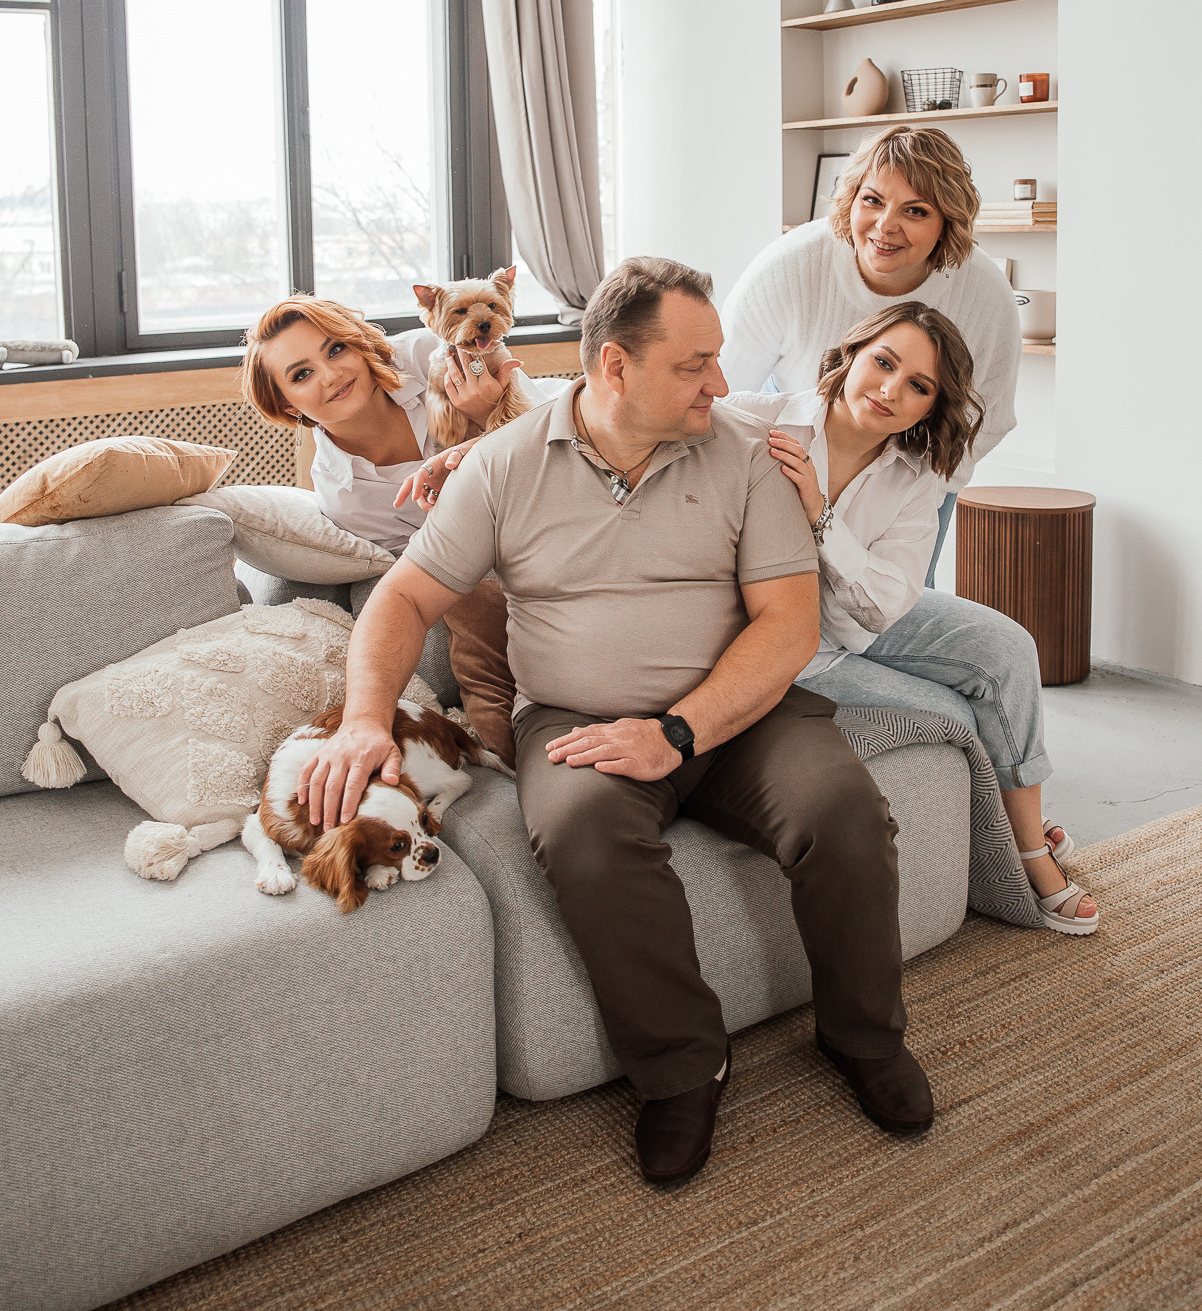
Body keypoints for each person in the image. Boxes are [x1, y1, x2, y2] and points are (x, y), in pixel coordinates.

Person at [299, 257, 936, 1187]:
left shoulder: (743, 456)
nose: (721, 385)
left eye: (718, 361)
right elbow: (402, 600)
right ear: (612, 367)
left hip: (741, 710)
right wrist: (364, 720)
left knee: (845, 813)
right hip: (575, 717)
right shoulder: (506, 465)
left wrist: (677, 732)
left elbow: (790, 624)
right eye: (694, 366)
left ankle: (865, 1039)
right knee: (587, 837)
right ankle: (684, 1071)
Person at [729, 301, 1098, 935]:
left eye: (918, 386)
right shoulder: (754, 420)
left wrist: (821, 517)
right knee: (953, 715)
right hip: (804, 649)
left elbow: (887, 604)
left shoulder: (918, 470)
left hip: (864, 617)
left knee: (1009, 647)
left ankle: (1028, 832)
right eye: (883, 362)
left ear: (931, 406)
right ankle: (1022, 861)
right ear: (851, 353)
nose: (890, 390)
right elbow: (633, 403)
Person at [720, 124, 1022, 578]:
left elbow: (987, 416)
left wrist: (914, 489)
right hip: (790, 444)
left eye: (916, 211)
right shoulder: (789, 268)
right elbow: (721, 393)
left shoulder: (985, 295)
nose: (885, 226)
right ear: (851, 197)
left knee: (893, 607)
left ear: (946, 226)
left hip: (912, 463)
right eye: (873, 200)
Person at [241, 295, 526, 763]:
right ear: (285, 404)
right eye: (301, 374)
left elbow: (555, 437)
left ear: (358, 345)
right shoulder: (345, 496)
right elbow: (434, 566)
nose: (330, 375)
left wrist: (486, 413)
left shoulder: (428, 354)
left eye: (335, 350)